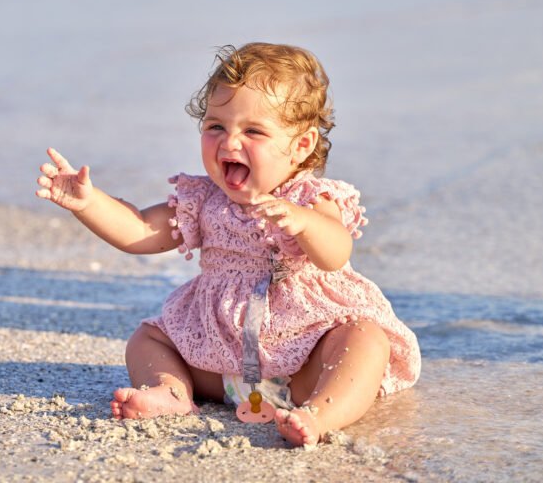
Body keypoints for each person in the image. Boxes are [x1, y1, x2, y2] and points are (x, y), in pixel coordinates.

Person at [36, 42, 420, 447]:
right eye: (216, 126)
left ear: (302, 145)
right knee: (148, 340)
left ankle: (321, 413)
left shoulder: (310, 198)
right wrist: (88, 203)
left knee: (364, 339)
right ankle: (172, 391)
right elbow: (139, 230)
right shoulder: (202, 200)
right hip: (217, 364)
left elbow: (336, 252)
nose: (229, 142)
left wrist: (303, 223)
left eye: (253, 131)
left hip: (302, 363)